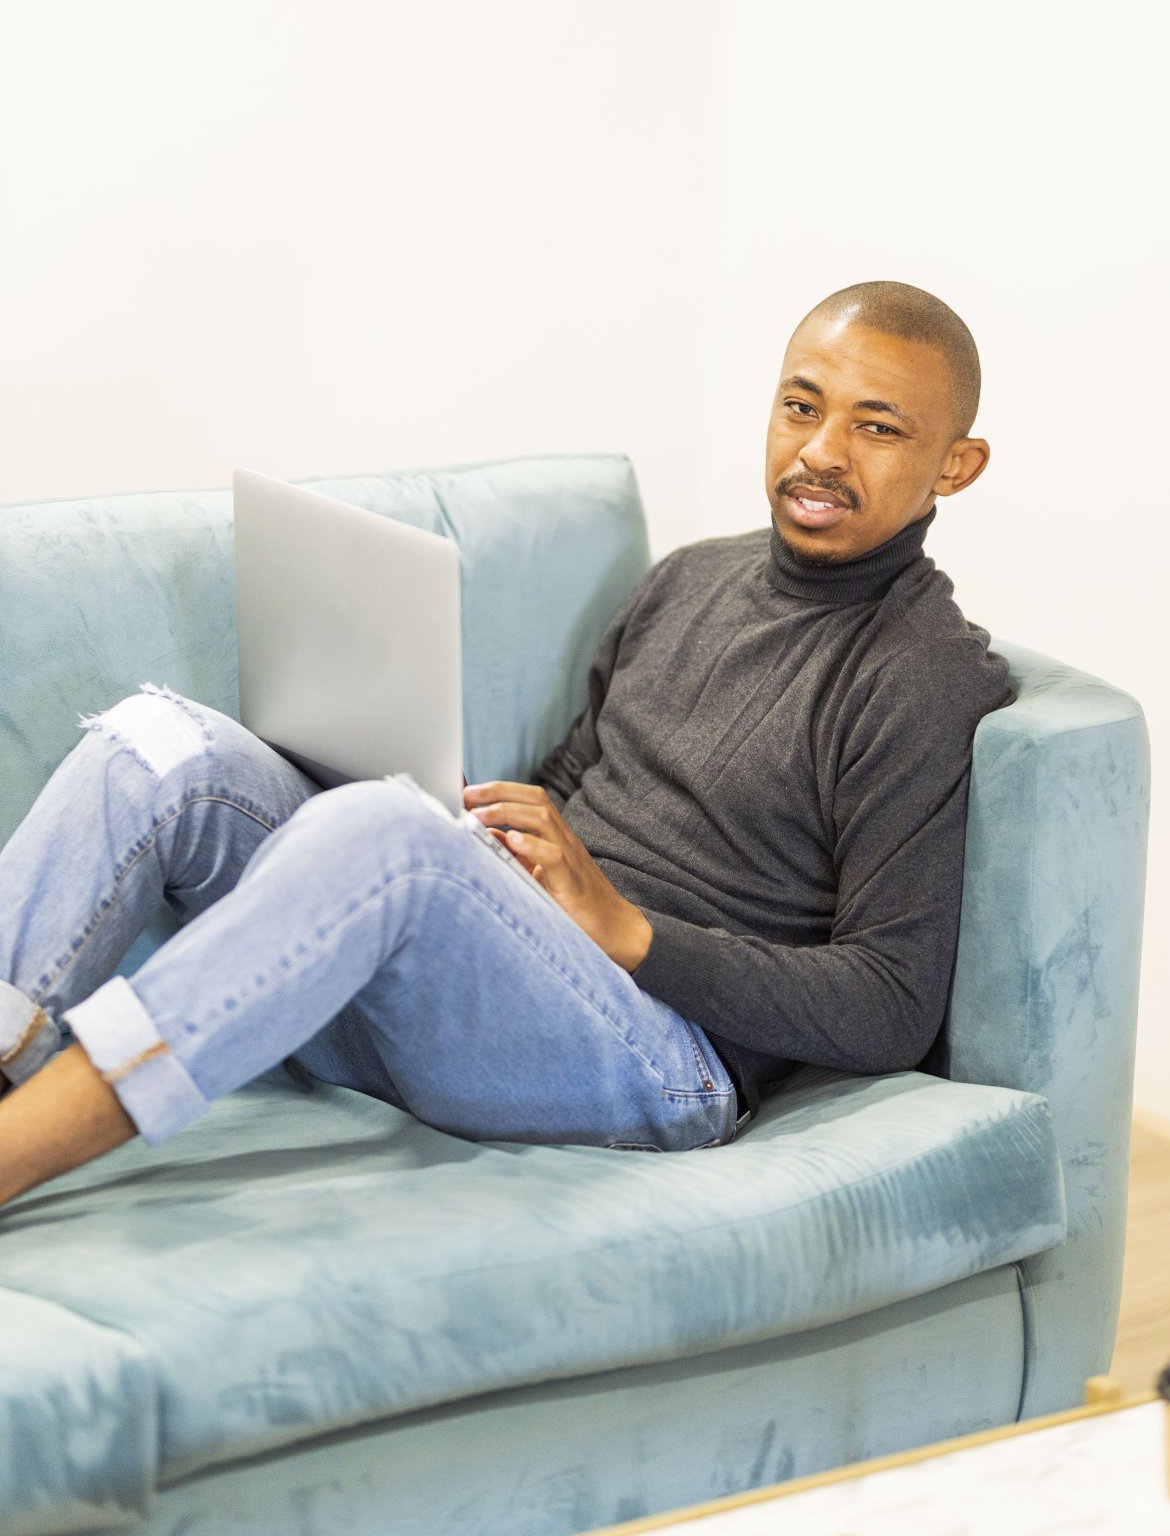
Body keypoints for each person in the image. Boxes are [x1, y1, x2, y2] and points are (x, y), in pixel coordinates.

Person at [0, 280, 1012, 1209]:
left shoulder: (922, 672)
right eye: (801, 406)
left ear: (955, 466)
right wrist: (473, 831)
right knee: (160, 745)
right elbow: (570, 787)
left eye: (877, 427)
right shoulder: (691, 577)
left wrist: (630, 933)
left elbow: (892, 1004)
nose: (822, 450)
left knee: (387, 833)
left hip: (662, 1058)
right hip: (511, 985)